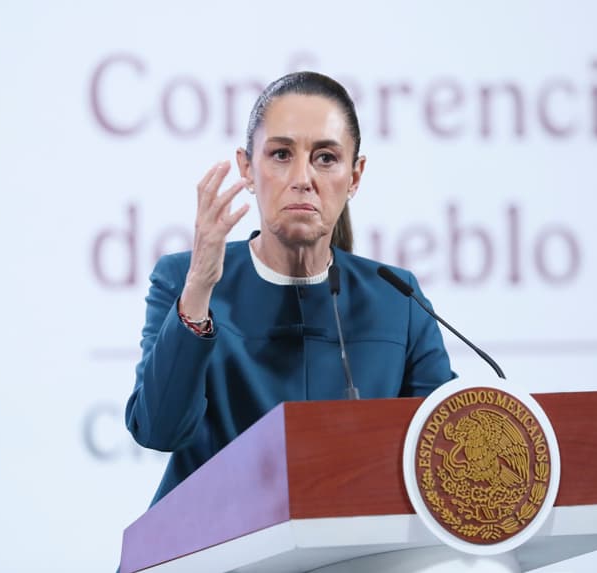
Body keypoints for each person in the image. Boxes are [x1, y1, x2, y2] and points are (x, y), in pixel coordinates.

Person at [125, 71, 455, 508]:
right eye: (281, 154)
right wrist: (200, 286)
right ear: (246, 168)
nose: (302, 178)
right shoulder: (184, 280)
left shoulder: (398, 300)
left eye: (325, 158)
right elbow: (158, 430)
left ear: (355, 176)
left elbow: (446, 455)